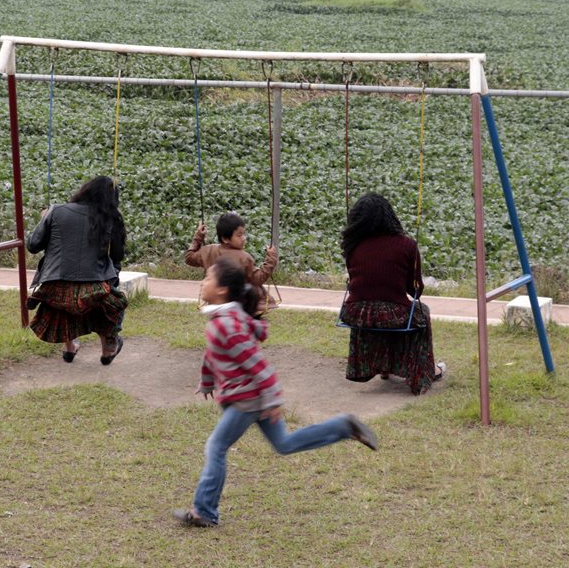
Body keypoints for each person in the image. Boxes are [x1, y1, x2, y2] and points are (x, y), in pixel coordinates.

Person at [172, 258, 378, 528]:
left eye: (207, 278)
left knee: (216, 446)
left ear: (222, 290)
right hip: (252, 397)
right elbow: (214, 353)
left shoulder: (227, 324)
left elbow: (259, 366)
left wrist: (272, 400)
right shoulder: (225, 319)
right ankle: (343, 426)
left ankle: (204, 511)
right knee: (284, 444)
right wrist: (208, 380)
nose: (203, 282)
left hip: (249, 400)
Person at [339, 193, 444, 395]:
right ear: (390, 216)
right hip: (391, 313)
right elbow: (415, 291)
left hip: (357, 312)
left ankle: (384, 367)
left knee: (386, 315)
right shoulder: (406, 245)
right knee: (420, 312)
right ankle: (425, 371)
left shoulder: (353, 246)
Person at [26, 175, 128, 364]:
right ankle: (108, 347)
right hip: (94, 289)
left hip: (53, 287)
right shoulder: (110, 219)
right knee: (112, 300)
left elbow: (33, 245)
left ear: (85, 191)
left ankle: (69, 346)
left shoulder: (56, 211)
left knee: (67, 299)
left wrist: (44, 220)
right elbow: (118, 256)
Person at [184, 212, 278, 305]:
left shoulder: (208, 251)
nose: (244, 238)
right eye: (239, 235)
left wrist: (198, 237)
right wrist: (271, 260)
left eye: (243, 234)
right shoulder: (244, 258)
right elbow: (258, 279)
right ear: (225, 238)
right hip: (239, 304)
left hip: (215, 302)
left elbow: (189, 258)